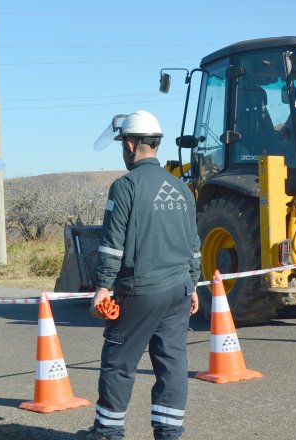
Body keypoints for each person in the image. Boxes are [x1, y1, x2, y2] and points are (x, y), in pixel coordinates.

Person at [77, 110, 201, 440]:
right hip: (179, 288)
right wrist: (194, 285)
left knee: (119, 362)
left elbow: (112, 242)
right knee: (172, 363)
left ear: (130, 145)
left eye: (123, 146)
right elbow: (194, 243)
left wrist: (103, 285)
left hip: (140, 289)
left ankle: (107, 432)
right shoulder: (182, 189)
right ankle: (169, 433)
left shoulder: (125, 186)